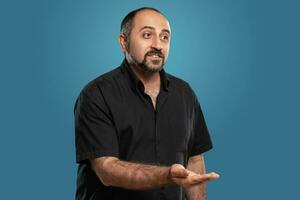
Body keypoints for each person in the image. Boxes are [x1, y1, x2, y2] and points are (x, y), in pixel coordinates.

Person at [74, 7, 219, 200]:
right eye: (147, 35)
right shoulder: (96, 94)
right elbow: (106, 169)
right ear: (123, 42)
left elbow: (194, 160)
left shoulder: (185, 93)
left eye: (165, 37)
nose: (158, 45)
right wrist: (166, 175)